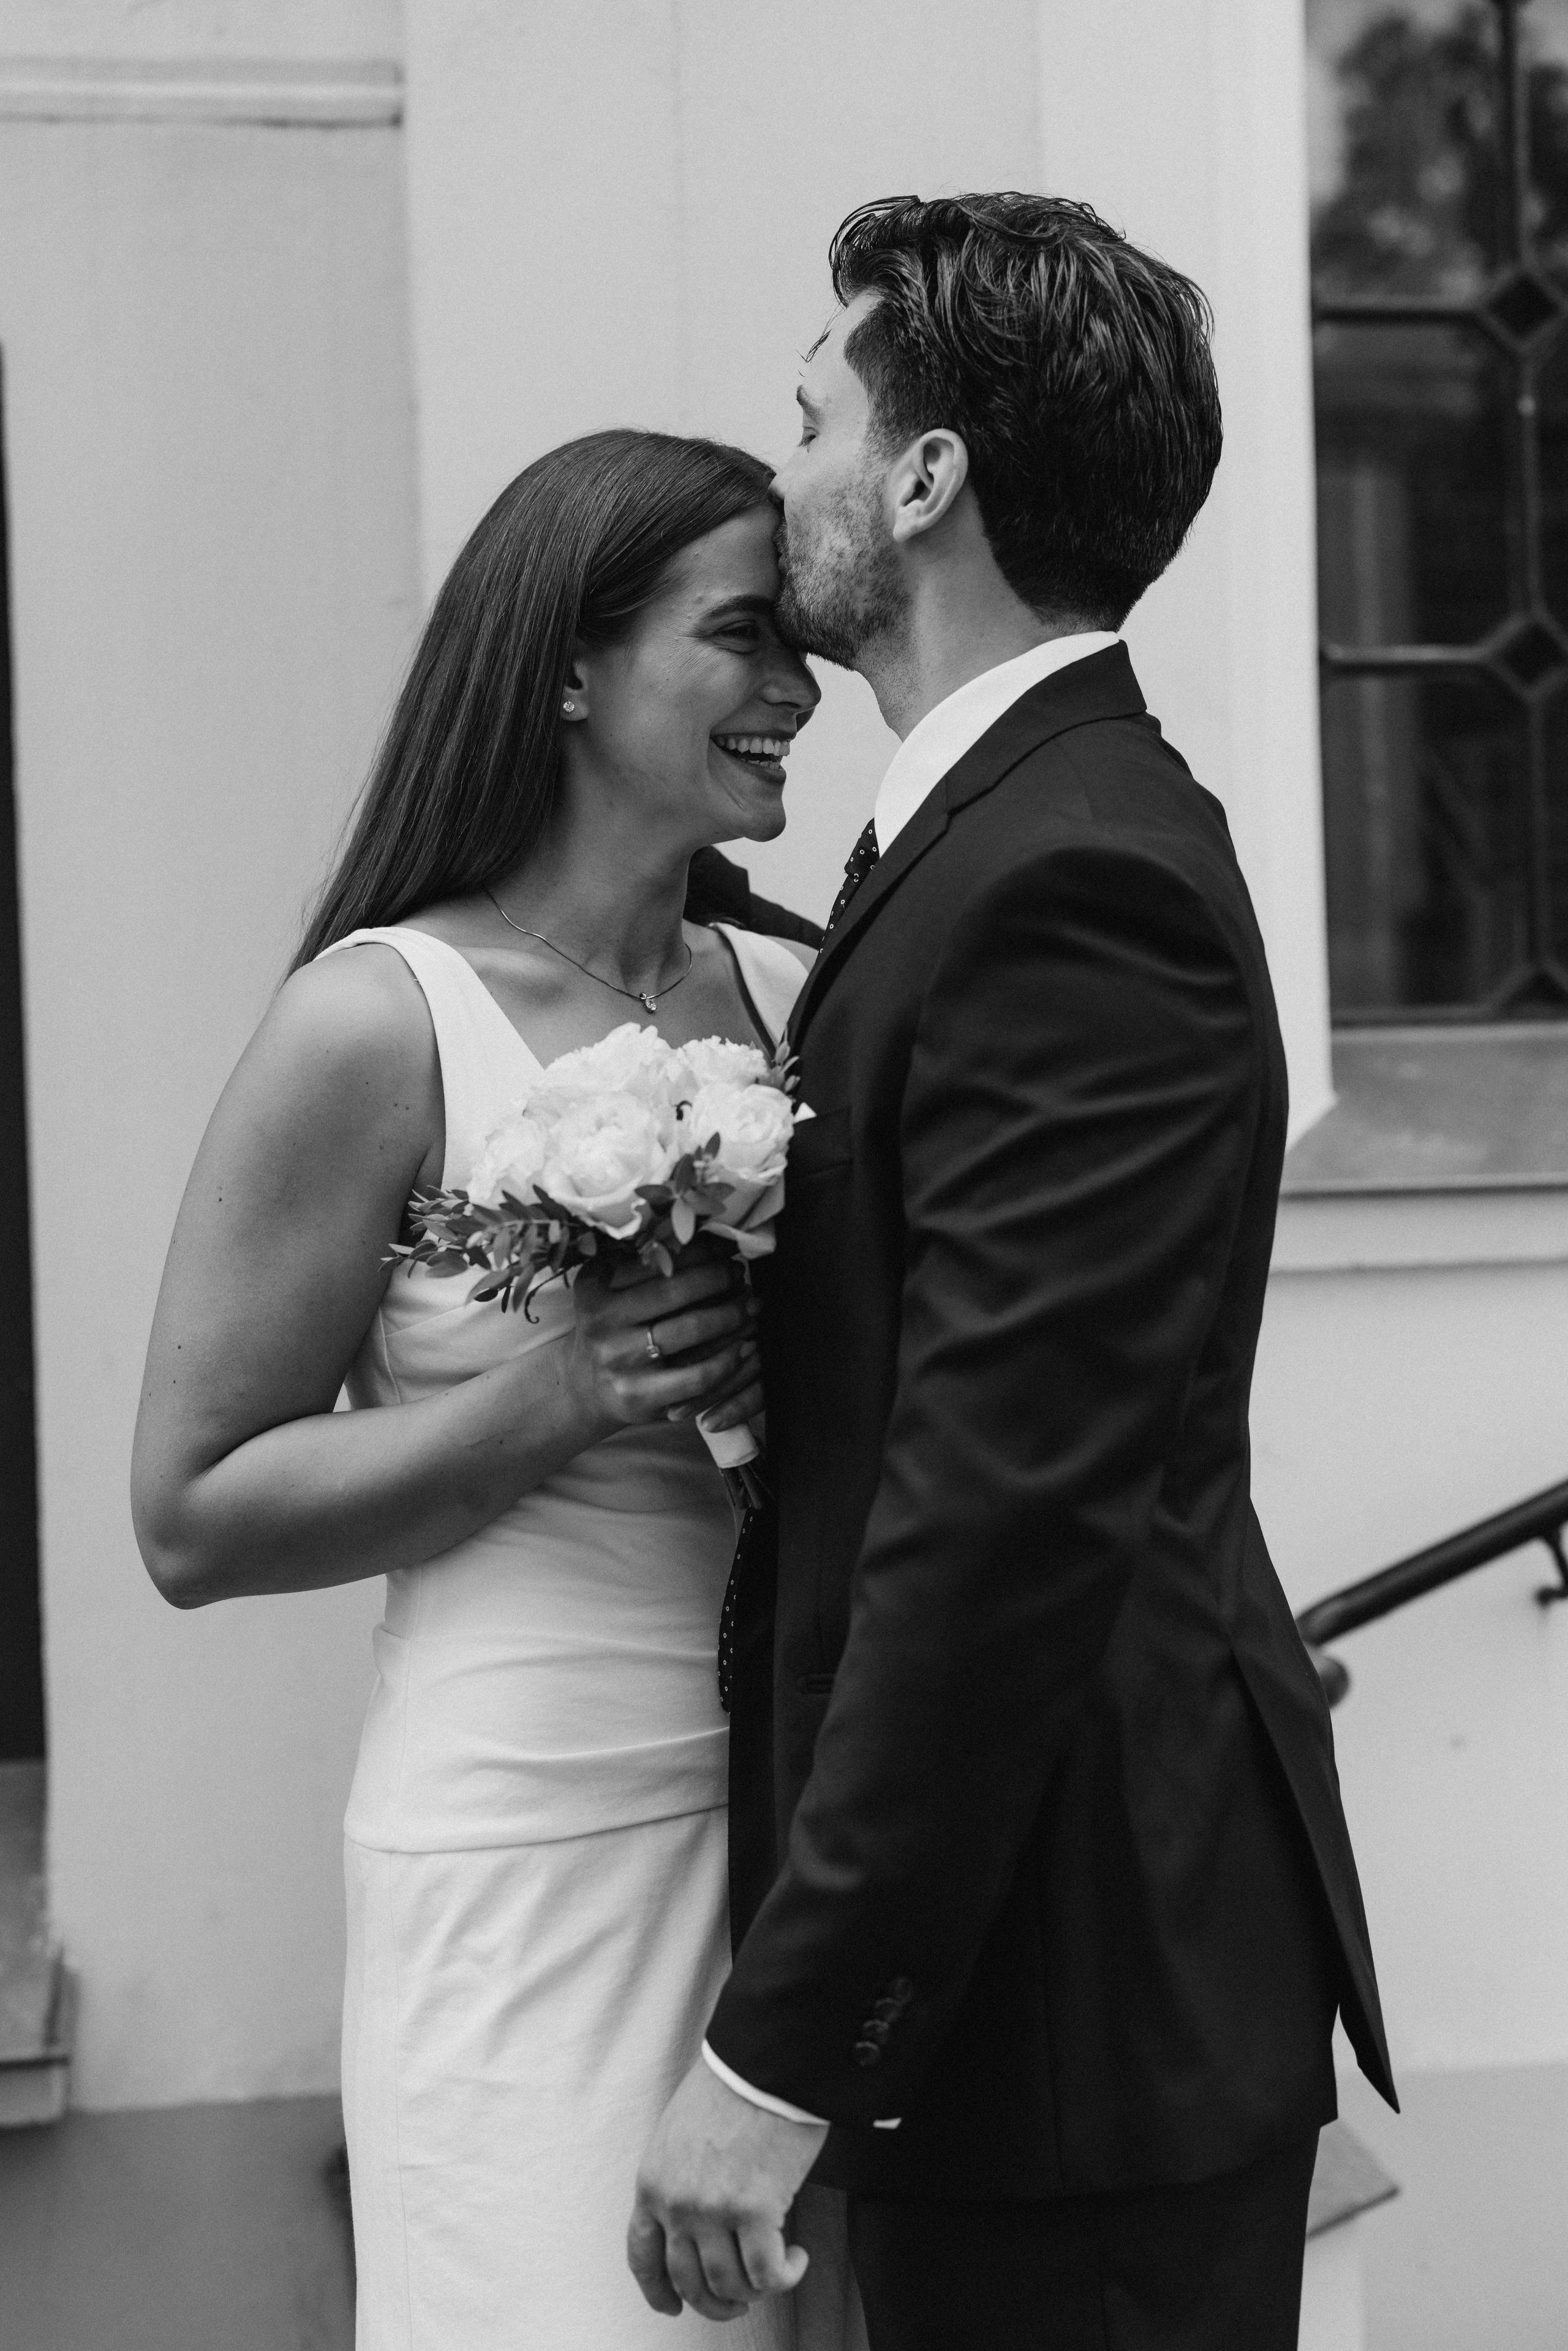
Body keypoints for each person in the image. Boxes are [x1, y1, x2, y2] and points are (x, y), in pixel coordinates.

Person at [629, 195, 1398, 2348]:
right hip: (1023, 2021)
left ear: (926, 474)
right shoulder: (991, 834)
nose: (782, 475)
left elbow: (1001, 1516)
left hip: (1077, 2024)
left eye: (811, 418)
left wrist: (779, 2047)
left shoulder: (1076, 877)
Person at [130, 428, 867, 2348]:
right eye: (745, 636)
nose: (800, 686)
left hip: (786, 1846)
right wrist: (551, 1400)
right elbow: (191, 1516)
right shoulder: (374, 1023)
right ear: (569, 663)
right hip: (525, 1851)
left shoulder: (785, 999)